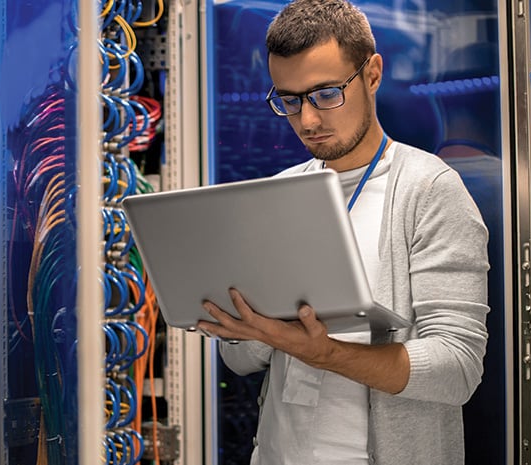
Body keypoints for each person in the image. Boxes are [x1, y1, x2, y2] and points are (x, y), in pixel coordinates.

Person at [196, 1, 490, 464]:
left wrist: (324, 352)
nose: (307, 120)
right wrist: (248, 328)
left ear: (372, 74)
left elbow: (458, 366)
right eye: (289, 100)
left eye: (326, 93)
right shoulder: (280, 194)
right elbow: (242, 361)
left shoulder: (428, 189)